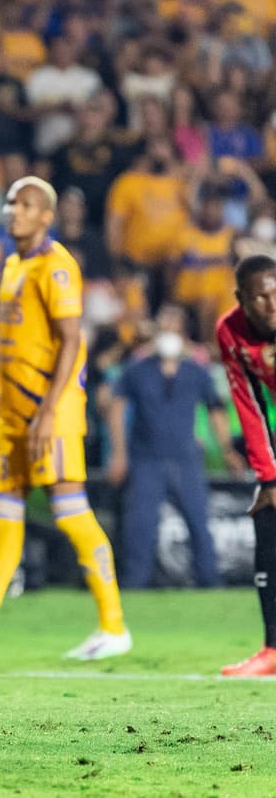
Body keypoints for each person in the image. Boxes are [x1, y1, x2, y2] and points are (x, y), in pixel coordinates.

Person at [0, 176, 131, 663]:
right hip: (12, 415)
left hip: (48, 413)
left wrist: (48, 412)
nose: (14, 209)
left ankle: (114, 626)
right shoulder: (13, 264)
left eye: (27, 204)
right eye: (12, 201)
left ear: (46, 217)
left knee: (71, 512)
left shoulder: (56, 267)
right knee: (2, 519)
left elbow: (73, 341)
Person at [107, 305, 239, 589]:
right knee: (141, 525)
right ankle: (135, 582)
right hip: (146, 458)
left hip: (185, 458)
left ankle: (209, 580)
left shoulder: (196, 372)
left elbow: (216, 410)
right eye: (164, 325)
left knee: (198, 522)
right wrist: (119, 453)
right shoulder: (138, 370)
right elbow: (116, 408)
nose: (168, 331)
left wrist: (227, 449)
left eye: (174, 325)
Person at [214, 254, 276, 675]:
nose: (272, 305)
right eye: (260, 296)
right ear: (241, 299)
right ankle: (273, 650)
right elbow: (249, 405)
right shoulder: (230, 331)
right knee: (267, 514)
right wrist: (269, 478)